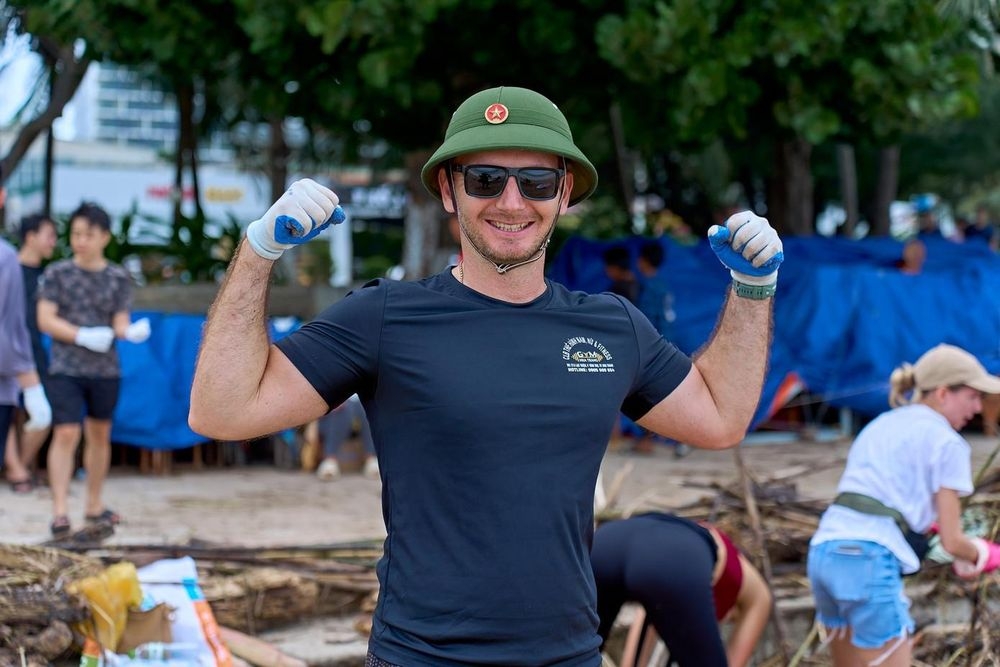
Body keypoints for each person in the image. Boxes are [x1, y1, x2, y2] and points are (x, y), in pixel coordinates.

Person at [189, 85, 783, 666]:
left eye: (537, 181)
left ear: (564, 192)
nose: (512, 201)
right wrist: (258, 252)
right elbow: (222, 411)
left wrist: (753, 288)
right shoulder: (385, 317)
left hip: (569, 656)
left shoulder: (612, 327)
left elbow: (720, 419)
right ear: (450, 191)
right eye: (485, 179)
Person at [807, 343, 1000, 667]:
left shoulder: (880, 425)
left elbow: (881, 496)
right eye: (972, 396)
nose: (978, 408)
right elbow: (953, 542)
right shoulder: (948, 442)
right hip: (869, 559)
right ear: (942, 393)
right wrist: (985, 554)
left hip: (824, 553)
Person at [36, 202, 150, 538]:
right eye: (76, 234)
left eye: (88, 234)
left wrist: (128, 332)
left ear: (105, 237)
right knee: (66, 432)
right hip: (65, 366)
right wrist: (80, 335)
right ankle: (60, 510)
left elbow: (119, 320)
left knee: (100, 433)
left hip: (105, 369)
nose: (81, 241)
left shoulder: (117, 277)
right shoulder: (57, 274)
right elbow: (45, 319)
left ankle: (94, 504)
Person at [590, 512, 772, 667]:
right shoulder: (758, 594)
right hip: (668, 561)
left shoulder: (685, 544)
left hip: (607, 540)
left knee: (582, 655)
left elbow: (649, 614)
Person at [1, 186, 53, 492]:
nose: (53, 241)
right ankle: (17, 469)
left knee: (37, 414)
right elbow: (7, 327)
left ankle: (19, 465)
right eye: (49, 235)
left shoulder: (48, 275)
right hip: (14, 356)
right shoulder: (8, 260)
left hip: (29, 354)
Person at [315, 394, 379, 480]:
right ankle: (329, 459)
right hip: (332, 413)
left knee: (368, 405)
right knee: (343, 407)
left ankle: (371, 458)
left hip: (359, 412)